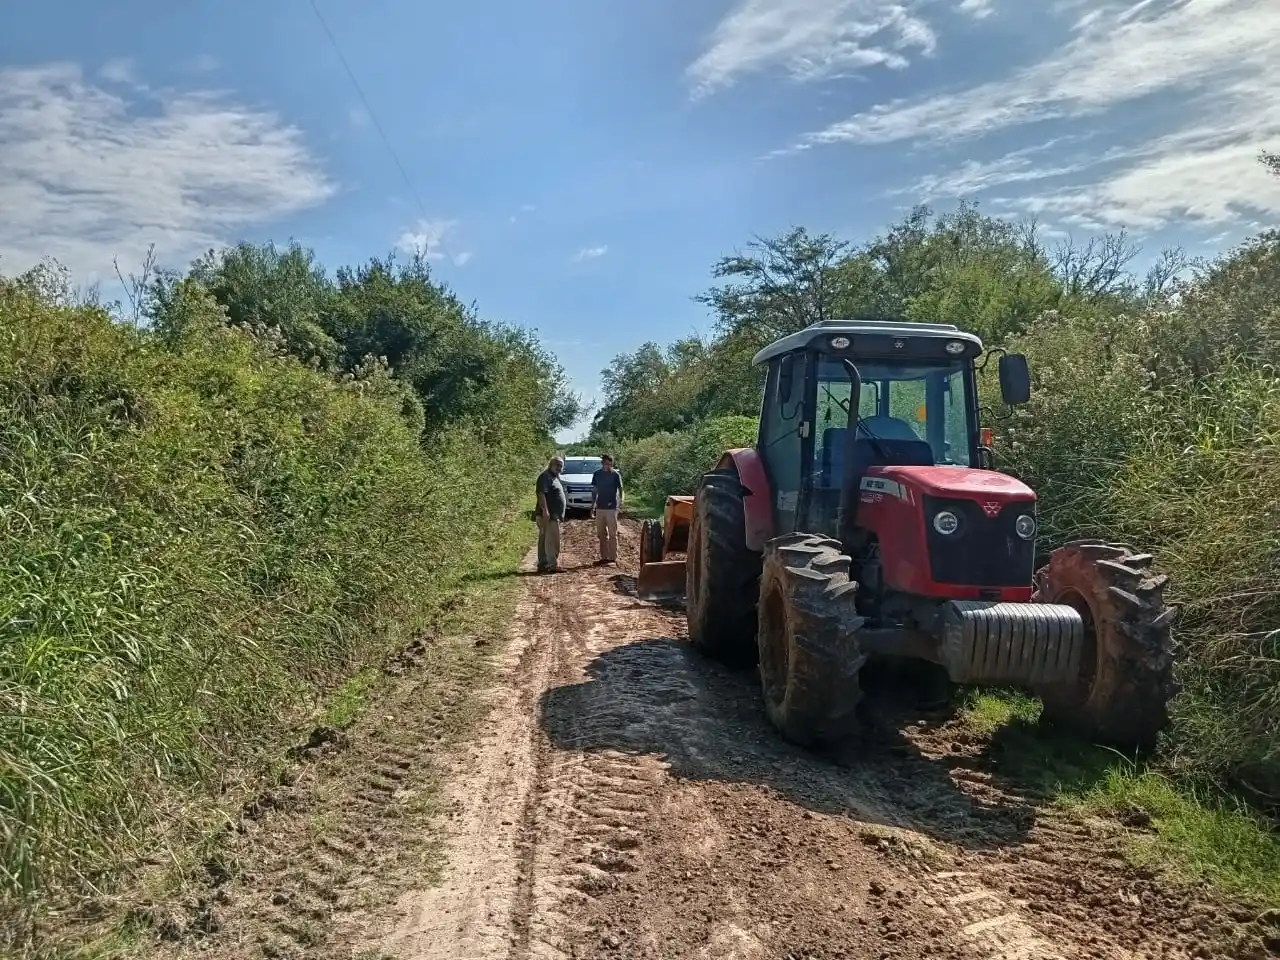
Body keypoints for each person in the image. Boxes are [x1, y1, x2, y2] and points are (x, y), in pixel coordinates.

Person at [590, 454, 623, 565]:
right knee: (601, 533)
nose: (607, 466)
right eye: (605, 463)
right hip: (600, 507)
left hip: (611, 507)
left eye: (609, 464)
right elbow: (594, 490)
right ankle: (604, 556)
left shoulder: (615, 475)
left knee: (612, 533)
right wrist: (592, 505)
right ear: (602, 463)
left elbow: (621, 488)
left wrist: (620, 503)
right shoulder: (597, 474)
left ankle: (612, 557)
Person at [535, 456, 566, 573]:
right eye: (557, 465)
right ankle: (552, 565)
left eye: (561, 466)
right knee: (551, 540)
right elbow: (541, 494)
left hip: (552, 515)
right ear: (551, 465)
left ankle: (543, 563)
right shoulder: (545, 477)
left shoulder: (553, 477)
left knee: (544, 540)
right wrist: (545, 511)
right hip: (548, 515)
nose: (559, 467)